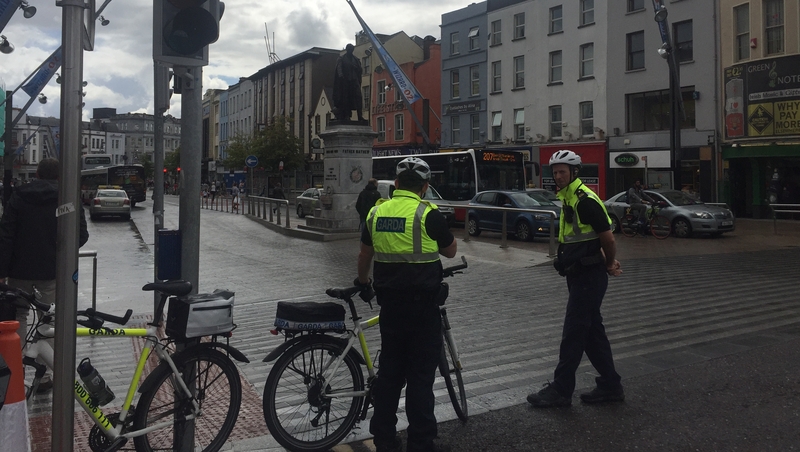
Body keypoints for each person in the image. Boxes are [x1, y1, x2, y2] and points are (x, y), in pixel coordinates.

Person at [356, 157, 457, 452]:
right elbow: (451, 251)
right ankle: (421, 443)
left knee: (390, 375)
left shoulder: (377, 212)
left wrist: (363, 283)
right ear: (424, 188)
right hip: (424, 310)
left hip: (391, 309)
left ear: (396, 185)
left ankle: (385, 440)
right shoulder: (428, 213)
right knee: (421, 379)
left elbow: (364, 256)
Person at [527, 150, 624, 408]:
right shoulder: (568, 199)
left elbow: (608, 238)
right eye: (555, 172)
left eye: (563, 172)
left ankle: (561, 389)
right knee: (592, 333)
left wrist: (609, 263)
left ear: (574, 173)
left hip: (589, 277)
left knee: (574, 332)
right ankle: (611, 386)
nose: (558, 176)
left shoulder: (584, 200)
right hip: (579, 275)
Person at [0, 158, 90, 355]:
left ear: (37, 174)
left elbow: (6, 236)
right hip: (52, 270)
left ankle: (18, 366)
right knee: (49, 317)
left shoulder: (18, 195)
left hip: (19, 269)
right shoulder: (67, 198)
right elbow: (82, 235)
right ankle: (46, 372)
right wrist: (58, 252)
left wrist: (2, 271)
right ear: (59, 177)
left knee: (18, 315)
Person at [332, 43, 364, 122]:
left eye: (352, 50)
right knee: (345, 99)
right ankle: (346, 115)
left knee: (358, 97)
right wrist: (341, 76)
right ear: (347, 50)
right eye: (349, 50)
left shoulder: (356, 59)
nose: (351, 51)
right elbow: (339, 69)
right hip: (345, 82)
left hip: (354, 81)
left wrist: (357, 68)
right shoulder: (341, 58)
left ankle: (360, 116)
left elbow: (360, 70)